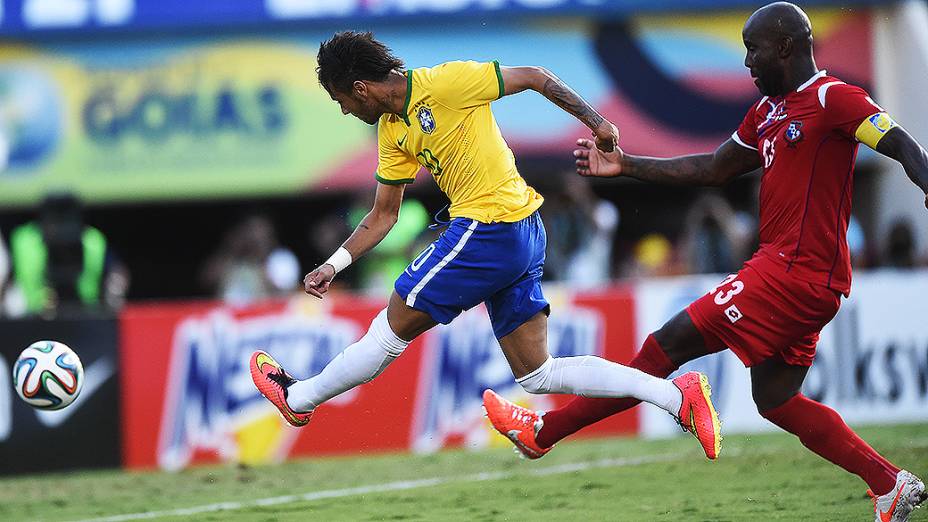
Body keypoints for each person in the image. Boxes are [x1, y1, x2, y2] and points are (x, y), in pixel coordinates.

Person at [485, 3, 928, 520]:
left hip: (794, 275)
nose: (747, 61)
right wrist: (627, 165)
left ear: (785, 46)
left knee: (667, 344)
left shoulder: (834, 98)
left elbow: (898, 141)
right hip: (793, 277)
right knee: (776, 399)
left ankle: (542, 432)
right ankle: (889, 484)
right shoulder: (767, 112)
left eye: (753, 48)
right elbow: (714, 168)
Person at [250, 31, 721, 460]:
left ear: (359, 87)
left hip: (490, 227)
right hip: (518, 231)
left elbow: (535, 77)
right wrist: (335, 263)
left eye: (341, 101)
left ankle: (297, 399)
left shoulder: (448, 82)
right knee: (537, 374)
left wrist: (598, 125)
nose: (345, 111)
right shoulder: (394, 132)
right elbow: (383, 215)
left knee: (390, 328)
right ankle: (678, 398)